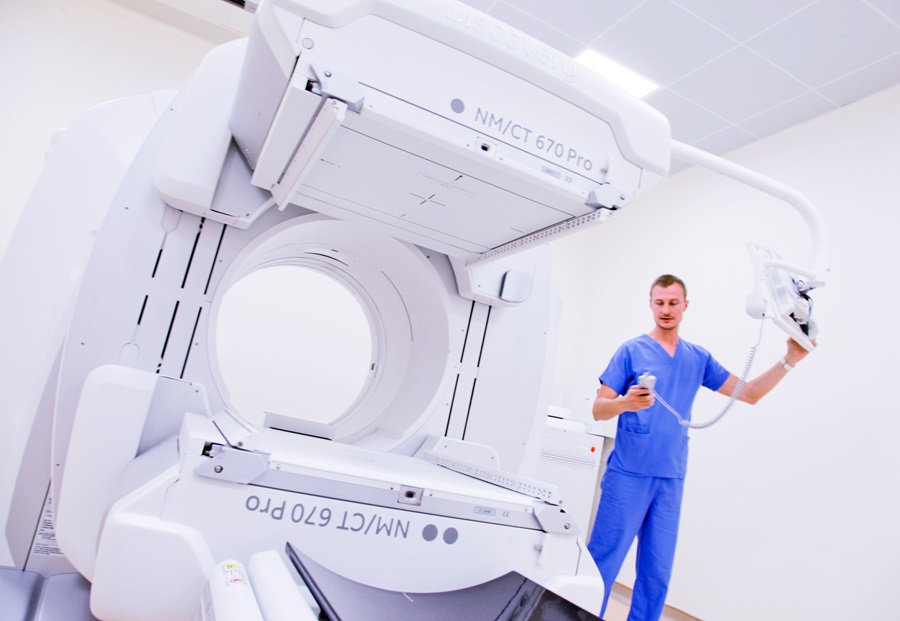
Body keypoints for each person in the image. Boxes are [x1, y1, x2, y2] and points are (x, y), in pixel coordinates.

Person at [586, 274, 811, 621]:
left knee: (656, 573)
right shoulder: (631, 351)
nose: (666, 309)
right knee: (603, 560)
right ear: (651, 305)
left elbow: (750, 393)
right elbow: (598, 410)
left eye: (673, 303)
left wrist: (789, 360)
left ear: (685, 305)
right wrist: (625, 403)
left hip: (670, 478)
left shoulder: (697, 358)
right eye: (660, 302)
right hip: (628, 474)